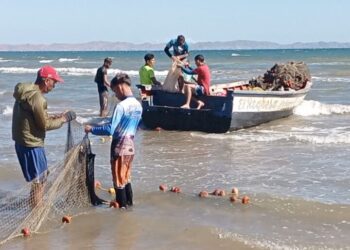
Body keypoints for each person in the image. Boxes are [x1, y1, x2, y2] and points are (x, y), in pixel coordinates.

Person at [12, 65, 76, 208]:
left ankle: (34, 204)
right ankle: (36, 209)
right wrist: (64, 119)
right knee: (40, 180)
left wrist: (55, 116)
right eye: (54, 82)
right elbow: (44, 126)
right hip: (32, 144)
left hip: (22, 142)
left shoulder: (26, 92)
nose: (55, 85)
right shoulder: (38, 99)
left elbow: (32, 117)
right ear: (46, 80)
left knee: (39, 179)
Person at [85, 73, 142, 208]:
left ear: (121, 87)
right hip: (131, 146)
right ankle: (129, 205)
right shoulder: (138, 105)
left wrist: (91, 129)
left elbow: (110, 129)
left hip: (119, 146)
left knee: (118, 180)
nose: (115, 95)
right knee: (126, 178)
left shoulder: (121, 106)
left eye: (115, 91)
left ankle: (122, 210)